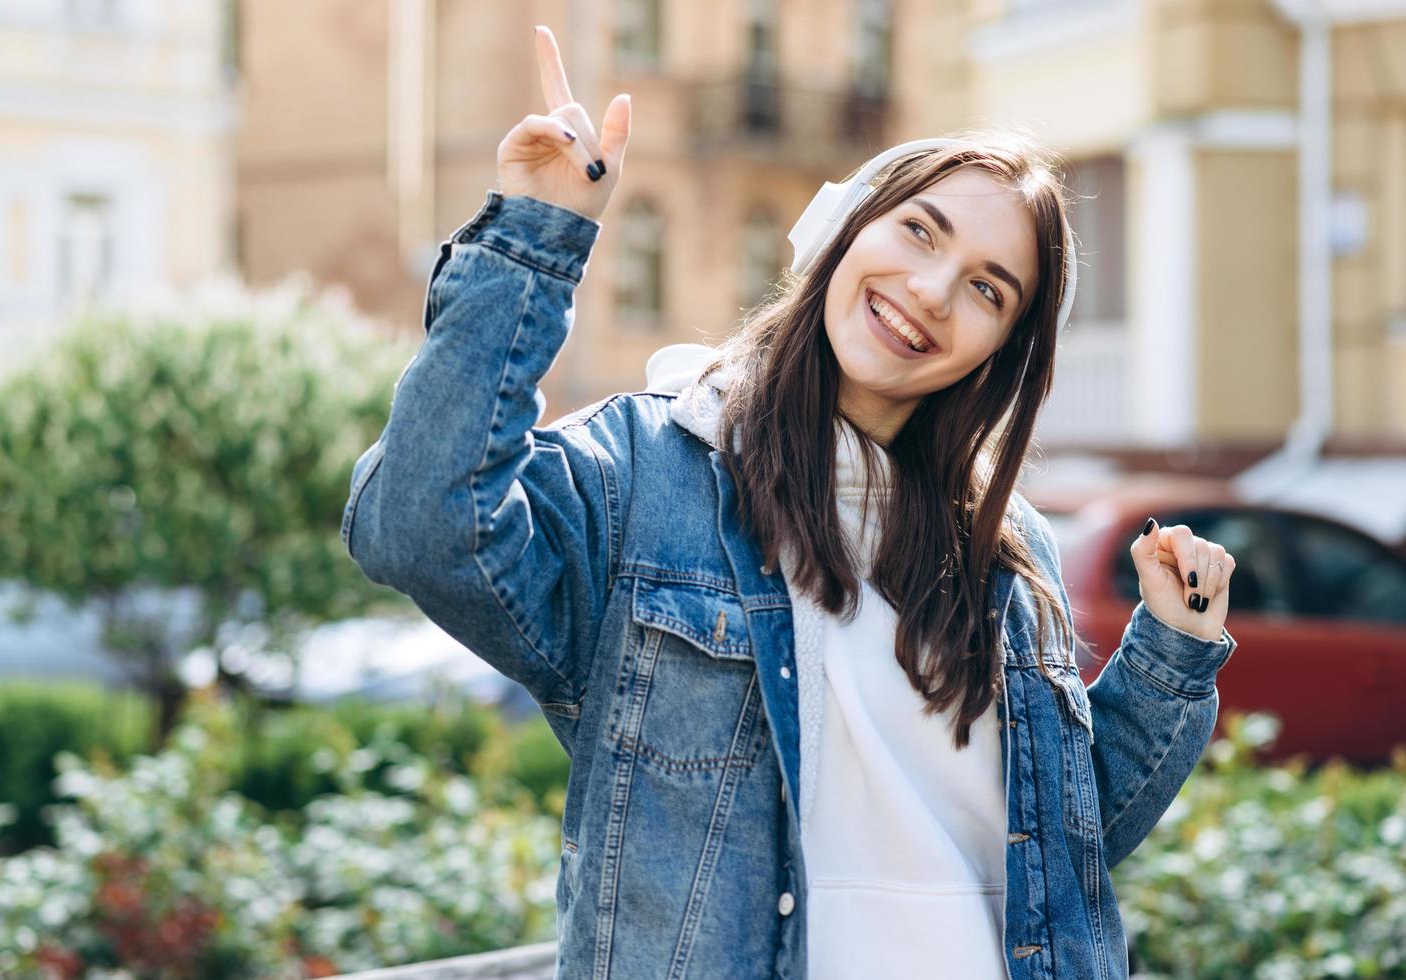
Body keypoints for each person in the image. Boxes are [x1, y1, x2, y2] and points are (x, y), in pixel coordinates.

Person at [341, 24, 1240, 980]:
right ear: (841, 229)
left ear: (1002, 349)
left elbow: (1063, 844)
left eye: (985, 288)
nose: (930, 292)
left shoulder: (1003, 548)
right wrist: (536, 236)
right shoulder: (648, 470)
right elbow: (420, 526)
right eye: (918, 230)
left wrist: (1169, 658)